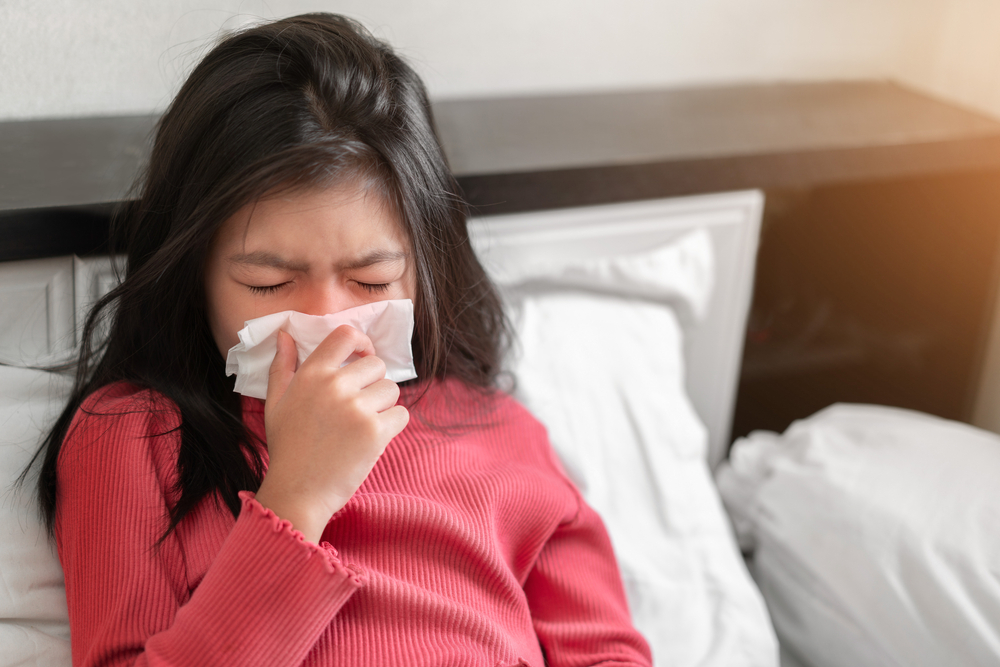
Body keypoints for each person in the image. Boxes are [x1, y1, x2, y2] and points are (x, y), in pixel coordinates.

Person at [34, 13, 653, 666]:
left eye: (370, 278)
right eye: (268, 283)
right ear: (195, 276)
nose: (329, 324)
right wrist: (297, 497)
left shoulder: (502, 429)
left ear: (423, 269)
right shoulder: (133, 436)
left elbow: (607, 652)